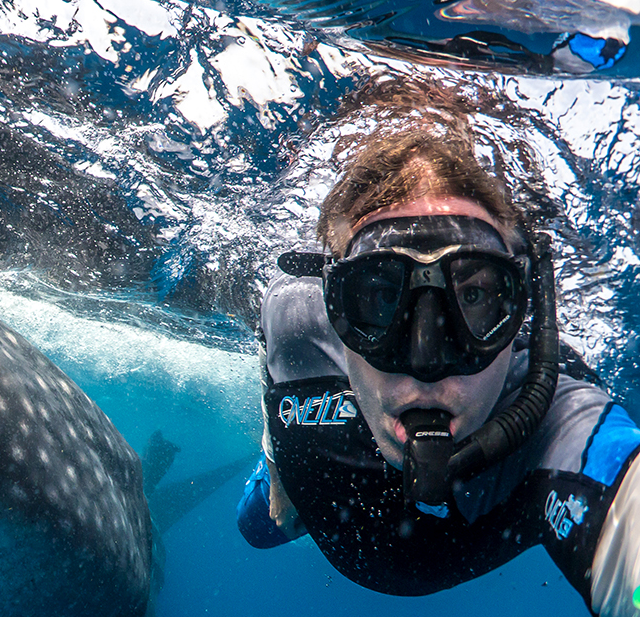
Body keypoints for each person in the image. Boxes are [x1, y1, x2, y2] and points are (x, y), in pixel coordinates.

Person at [236, 74, 640, 615]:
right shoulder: (294, 313)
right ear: (334, 302)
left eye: (473, 297)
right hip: (307, 501)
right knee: (253, 529)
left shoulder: (555, 423)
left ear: (522, 308)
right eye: (379, 295)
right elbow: (272, 356)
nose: (426, 362)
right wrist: (276, 460)